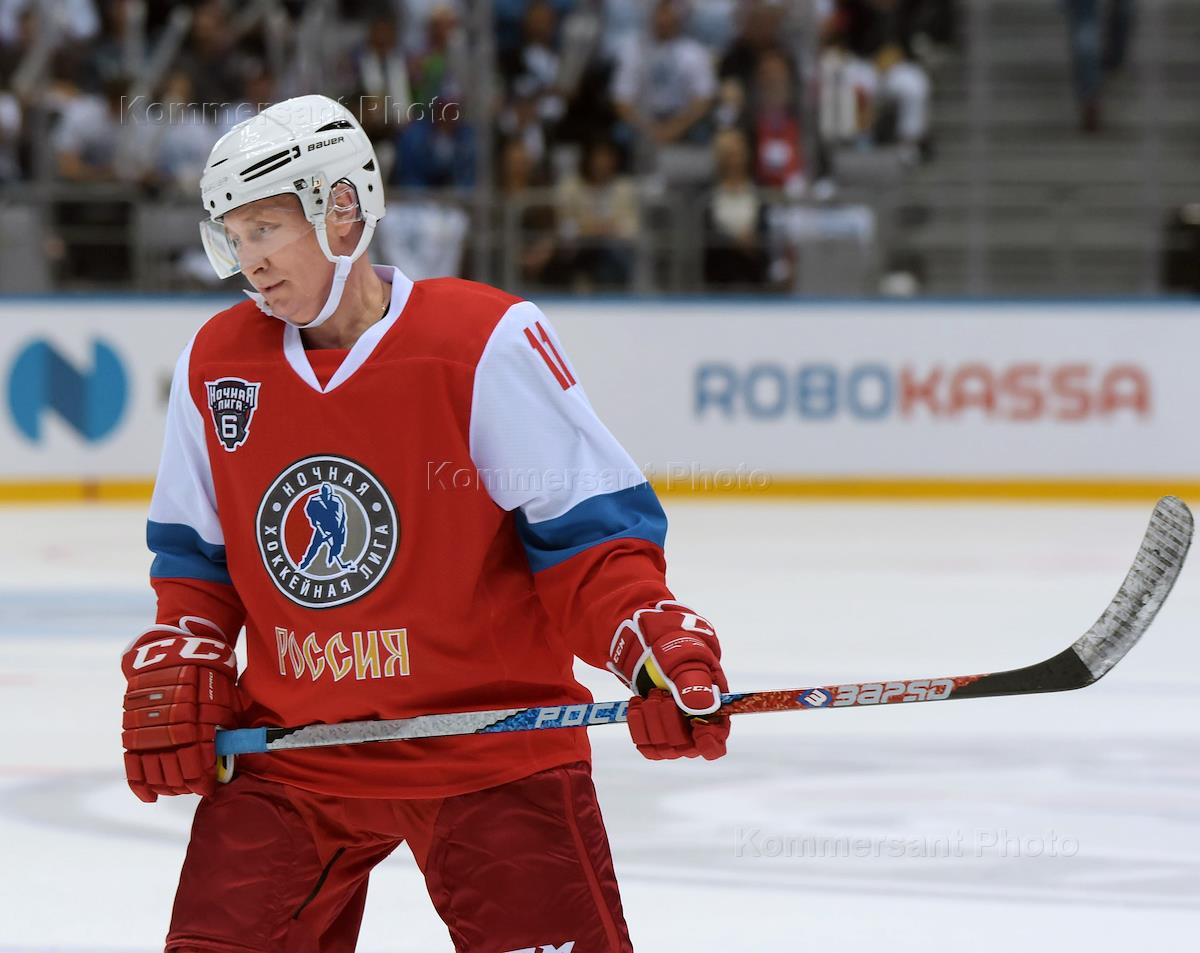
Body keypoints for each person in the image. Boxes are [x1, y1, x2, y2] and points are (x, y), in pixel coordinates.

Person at [120, 94, 730, 952]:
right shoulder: (217, 364)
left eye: (264, 228)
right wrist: (187, 648)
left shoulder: (483, 342)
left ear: (341, 208)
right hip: (294, 755)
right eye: (234, 235)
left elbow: (589, 539)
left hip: (488, 745)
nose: (248, 260)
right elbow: (197, 561)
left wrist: (645, 633)